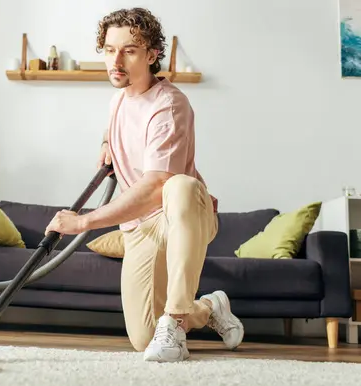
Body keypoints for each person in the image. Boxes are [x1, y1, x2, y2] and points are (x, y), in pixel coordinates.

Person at [45, 7, 244, 362]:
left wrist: (85, 222)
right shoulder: (118, 99)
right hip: (142, 225)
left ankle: (176, 317)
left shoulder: (170, 106)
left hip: (182, 213)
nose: (116, 60)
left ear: (152, 55)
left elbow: (156, 185)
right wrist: (106, 143)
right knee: (144, 339)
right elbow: (121, 129)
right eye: (109, 49)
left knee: (177, 186)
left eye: (129, 50)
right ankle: (208, 307)